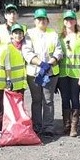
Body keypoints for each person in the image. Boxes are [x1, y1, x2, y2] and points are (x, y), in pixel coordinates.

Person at [23, 8, 64, 137]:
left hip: (50, 72)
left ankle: (48, 127)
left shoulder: (53, 33)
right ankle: (36, 126)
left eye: (44, 19)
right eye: (39, 19)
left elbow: (59, 51)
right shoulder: (29, 33)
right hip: (34, 72)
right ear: (35, 21)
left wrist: (50, 63)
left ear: (47, 20)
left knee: (48, 100)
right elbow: (27, 52)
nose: (42, 21)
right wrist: (41, 64)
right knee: (36, 100)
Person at [58, 10, 80, 137]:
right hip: (63, 74)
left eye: (71, 19)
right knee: (65, 99)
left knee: (75, 98)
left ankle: (74, 126)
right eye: (66, 20)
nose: (69, 22)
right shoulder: (60, 37)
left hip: (76, 73)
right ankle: (66, 124)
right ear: (64, 22)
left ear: (75, 21)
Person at [5, 23, 29, 94]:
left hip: (22, 83)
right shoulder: (8, 47)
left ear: (23, 34)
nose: (18, 35)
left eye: (20, 33)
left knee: (20, 104)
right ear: (12, 35)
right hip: (11, 83)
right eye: (15, 33)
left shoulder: (25, 46)